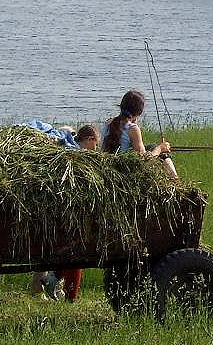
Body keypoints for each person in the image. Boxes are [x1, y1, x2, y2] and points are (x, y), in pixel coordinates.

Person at [32, 123, 100, 302]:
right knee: (77, 254)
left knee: (70, 253)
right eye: (95, 144)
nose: (96, 149)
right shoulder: (77, 155)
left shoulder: (71, 150)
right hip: (65, 213)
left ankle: (53, 282)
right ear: (89, 140)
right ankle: (67, 294)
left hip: (61, 211)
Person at [102, 89, 179, 181]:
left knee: (151, 146)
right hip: (124, 171)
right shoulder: (132, 129)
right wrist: (160, 148)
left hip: (110, 167)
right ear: (139, 112)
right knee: (161, 153)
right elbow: (144, 160)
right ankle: (176, 181)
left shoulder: (108, 123)